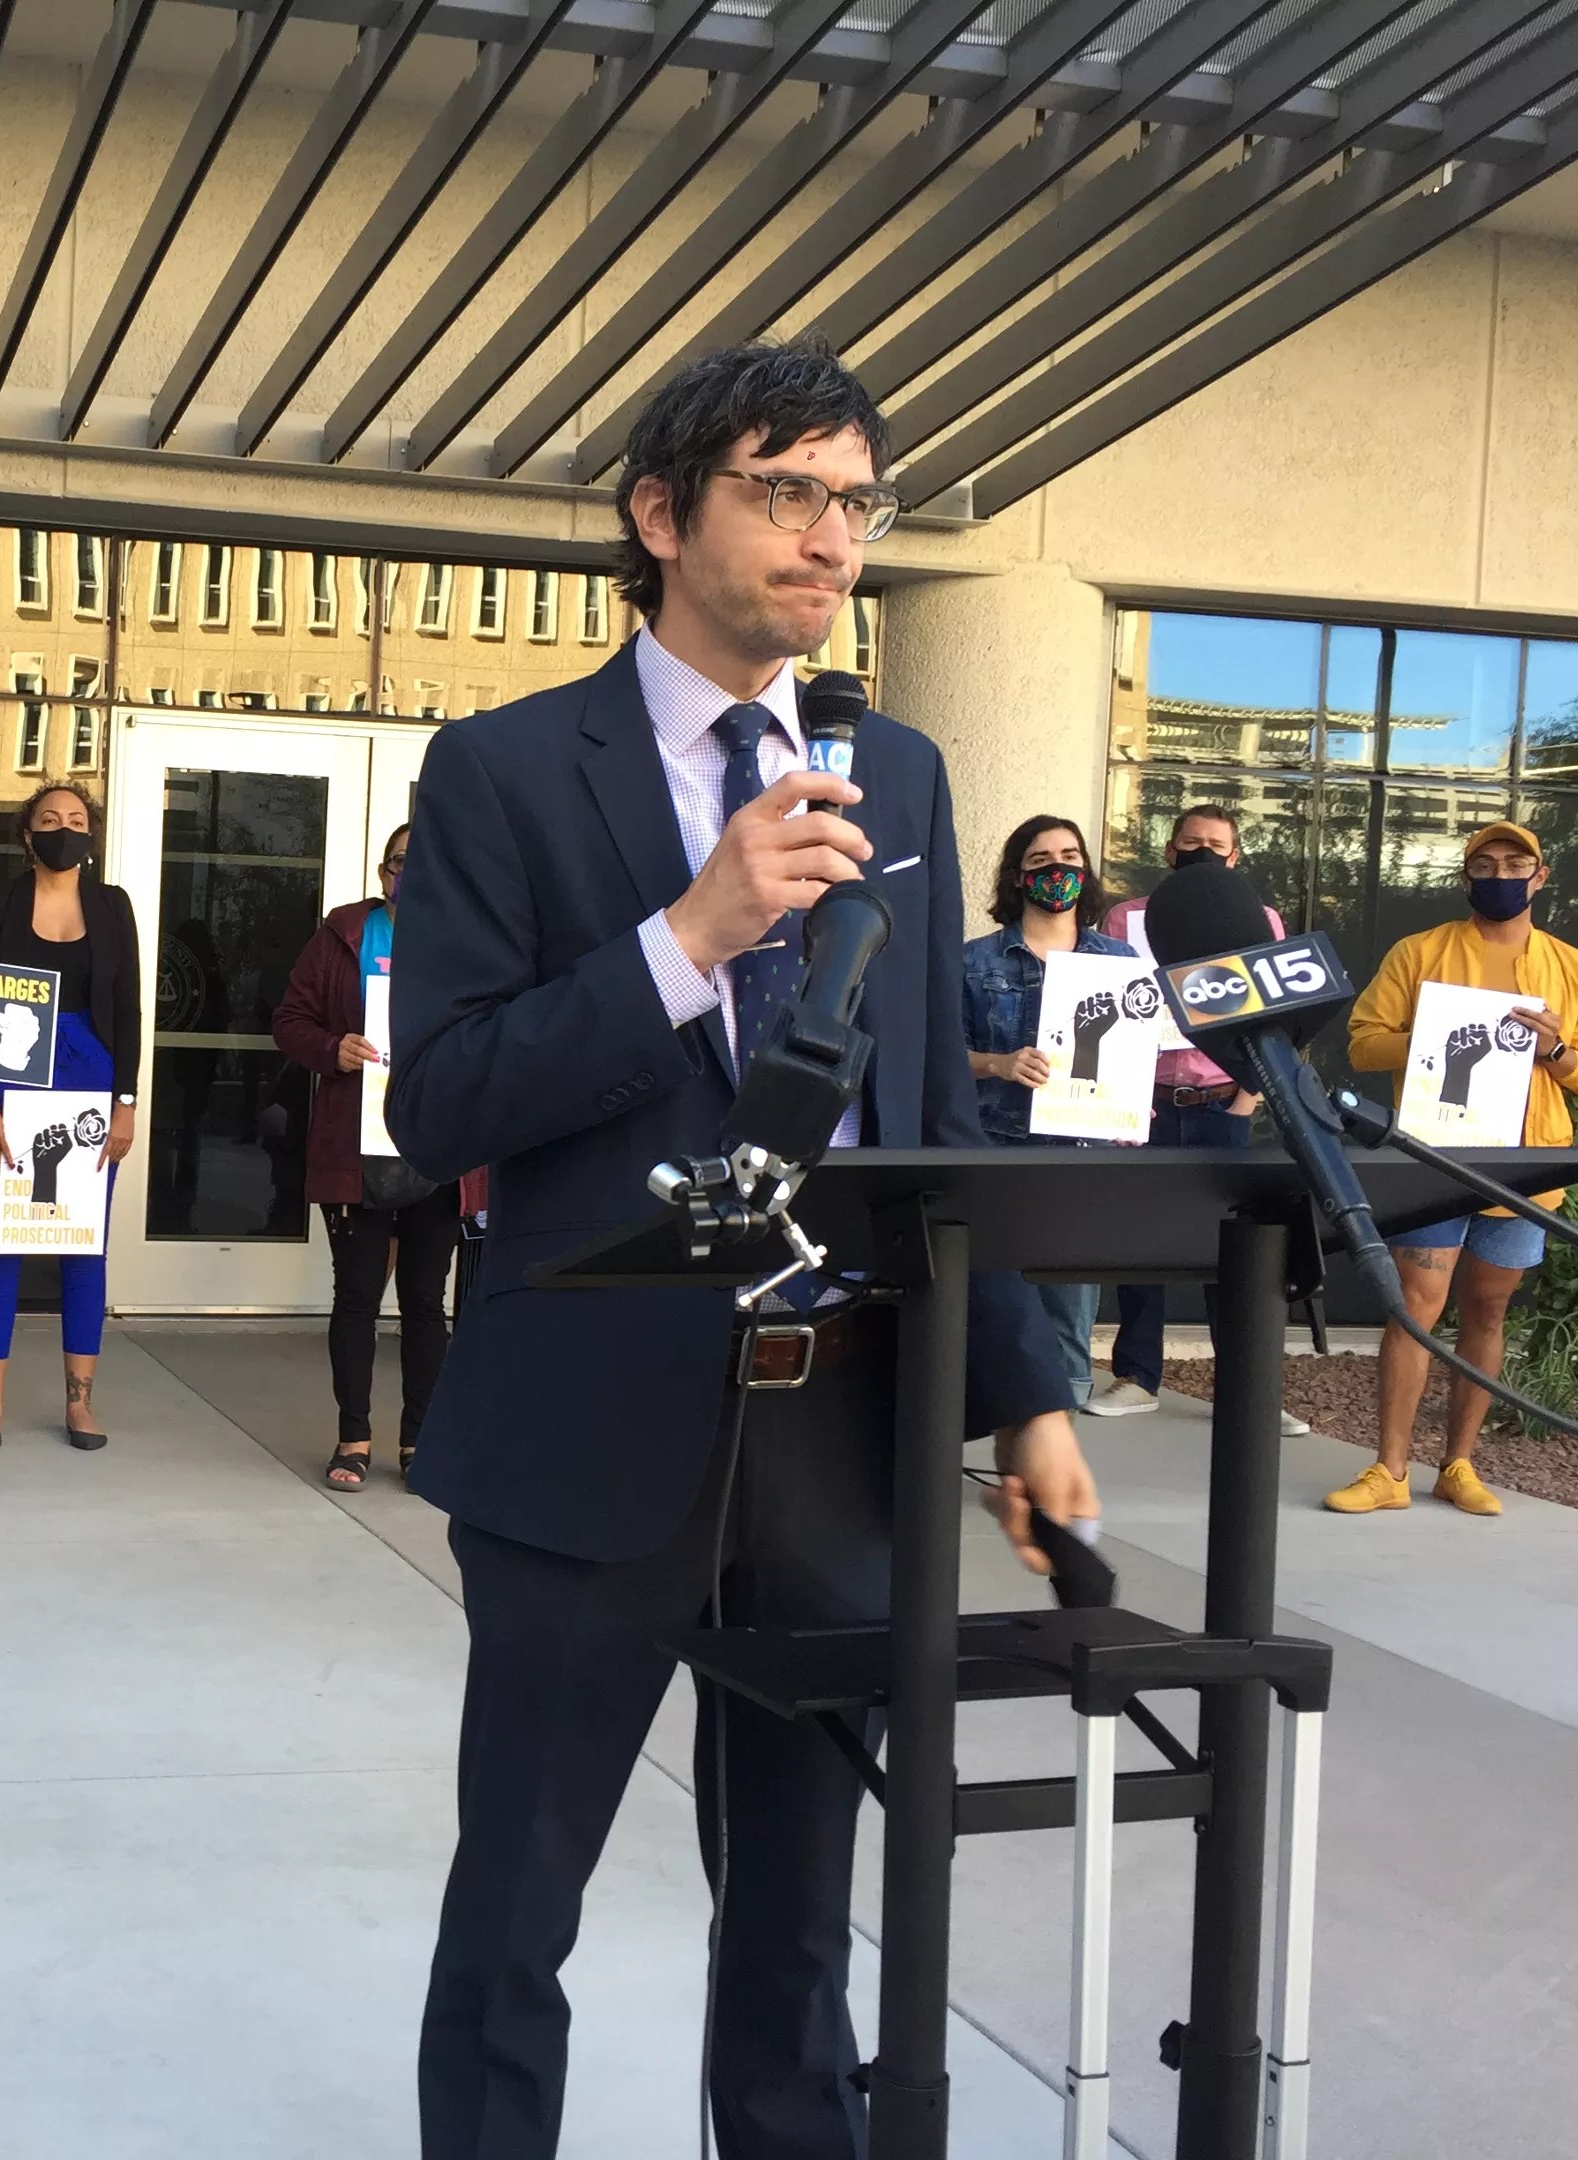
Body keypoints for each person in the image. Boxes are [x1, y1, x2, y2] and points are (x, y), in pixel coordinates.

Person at [385, 336, 1096, 2160]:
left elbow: (931, 1123)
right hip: (587, 1427)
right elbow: (441, 1103)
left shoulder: (898, 779)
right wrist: (684, 939)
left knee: (796, 1930)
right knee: (516, 1914)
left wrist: (1024, 1387)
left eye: (856, 500)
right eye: (786, 491)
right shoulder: (504, 772)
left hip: (838, 1430)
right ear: (659, 511)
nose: (831, 536)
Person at [1329, 818, 1578, 1518]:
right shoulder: (1420, 952)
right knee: (1414, 1305)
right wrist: (1432, 1033)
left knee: (1488, 1310)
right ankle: (1390, 1469)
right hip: (1433, 1156)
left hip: (1523, 1166)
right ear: (1466, 878)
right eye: (1485, 865)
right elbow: (1363, 1045)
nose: (1500, 876)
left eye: (1515, 864)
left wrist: (1555, 1052)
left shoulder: (1573, 968)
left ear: (1540, 878)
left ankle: (1458, 1465)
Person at [1084, 805, 1290, 1423]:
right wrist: (1117, 1099)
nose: (1202, 852)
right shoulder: (1126, 918)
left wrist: (1245, 1101)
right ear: (1170, 851)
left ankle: (1247, 1392)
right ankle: (1136, 1376)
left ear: (1235, 857)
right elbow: (1105, 998)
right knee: (1139, 1242)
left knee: (1234, 1253)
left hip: (1220, 1102)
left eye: (1216, 845)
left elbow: (1273, 1017)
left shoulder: (1261, 921)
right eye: (1191, 841)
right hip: (1143, 1104)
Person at [275, 823, 461, 1490]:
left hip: (439, 1144)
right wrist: (334, 1049)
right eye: (400, 862)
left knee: (425, 1301)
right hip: (358, 1148)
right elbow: (290, 1022)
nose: (410, 873)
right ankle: (353, 1437)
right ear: (384, 873)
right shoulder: (344, 935)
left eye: (425, 860)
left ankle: (420, 1442)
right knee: (356, 1297)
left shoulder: (472, 938)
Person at [0, 782, 141, 1449]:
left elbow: (129, 1007)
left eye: (76, 819)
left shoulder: (113, 905)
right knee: (0, 1244)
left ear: (91, 834)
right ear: (26, 833)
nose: (64, 828)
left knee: (84, 1246)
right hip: (11, 1075)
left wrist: (125, 1102)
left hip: (91, 1079)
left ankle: (80, 1404)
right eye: (49, 818)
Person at [961, 815, 1139, 1405]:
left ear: (1085, 871)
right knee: (995, 1294)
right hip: (996, 1146)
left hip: (1084, 1152)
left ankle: (1065, 1412)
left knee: (1070, 1302)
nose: (1057, 869)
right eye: (1040, 860)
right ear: (1018, 876)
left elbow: (1136, 1056)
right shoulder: (974, 961)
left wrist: (1129, 1106)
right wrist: (998, 1063)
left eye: (1069, 857)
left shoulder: (1121, 961)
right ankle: (998, 1410)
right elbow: (938, 1057)